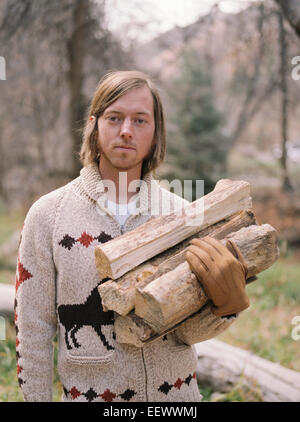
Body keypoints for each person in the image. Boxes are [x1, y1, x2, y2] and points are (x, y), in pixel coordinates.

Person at [15, 70, 250, 402]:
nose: (126, 131)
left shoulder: (184, 215)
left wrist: (225, 308)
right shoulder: (48, 216)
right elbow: (34, 331)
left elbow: (187, 334)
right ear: (95, 126)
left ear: (155, 134)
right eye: (114, 118)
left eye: (140, 121)